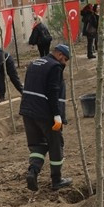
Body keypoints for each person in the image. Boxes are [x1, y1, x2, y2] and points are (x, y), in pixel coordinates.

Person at [19, 44, 72, 191]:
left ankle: (33, 172)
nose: (65, 63)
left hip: (27, 111)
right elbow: (53, 92)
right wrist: (57, 115)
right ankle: (57, 179)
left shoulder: (34, 63)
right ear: (60, 55)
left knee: (38, 145)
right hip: (44, 113)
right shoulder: (54, 67)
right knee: (56, 144)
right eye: (65, 59)